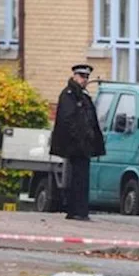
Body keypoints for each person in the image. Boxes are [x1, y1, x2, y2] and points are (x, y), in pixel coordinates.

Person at [50, 64, 104, 221]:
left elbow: (90, 119)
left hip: (84, 145)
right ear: (74, 76)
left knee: (82, 178)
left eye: (86, 77)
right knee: (77, 178)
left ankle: (80, 210)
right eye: (81, 77)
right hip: (75, 145)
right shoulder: (68, 95)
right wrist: (79, 137)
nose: (84, 80)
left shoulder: (83, 96)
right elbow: (68, 120)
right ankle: (76, 211)